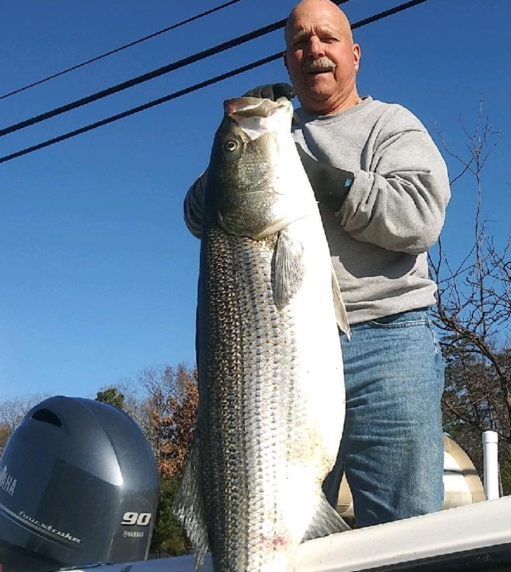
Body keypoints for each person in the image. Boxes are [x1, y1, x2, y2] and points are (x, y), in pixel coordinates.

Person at [183, 0, 450, 528]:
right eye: (300, 43)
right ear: (287, 64)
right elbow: (197, 214)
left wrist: (330, 180)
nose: (314, 51)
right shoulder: (269, 134)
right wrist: (233, 145)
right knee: (275, 518)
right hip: (280, 349)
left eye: (326, 39)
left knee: (406, 524)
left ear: (353, 54)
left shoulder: (390, 124)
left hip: (388, 341)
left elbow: (419, 217)